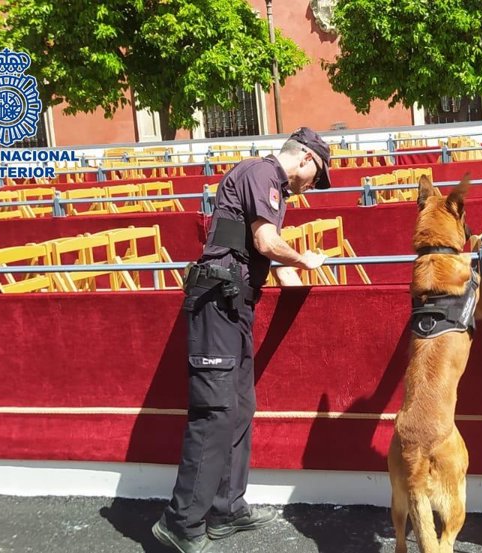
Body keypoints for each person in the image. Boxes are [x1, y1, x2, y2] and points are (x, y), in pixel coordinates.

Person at [152, 127, 331, 553]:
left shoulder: (271, 186)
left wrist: (293, 275)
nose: (312, 186)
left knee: (239, 408)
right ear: (305, 158)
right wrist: (303, 259)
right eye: (317, 176)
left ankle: (226, 508)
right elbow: (266, 242)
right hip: (217, 301)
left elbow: (264, 252)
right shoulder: (261, 173)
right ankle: (180, 522)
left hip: (234, 304)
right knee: (215, 411)